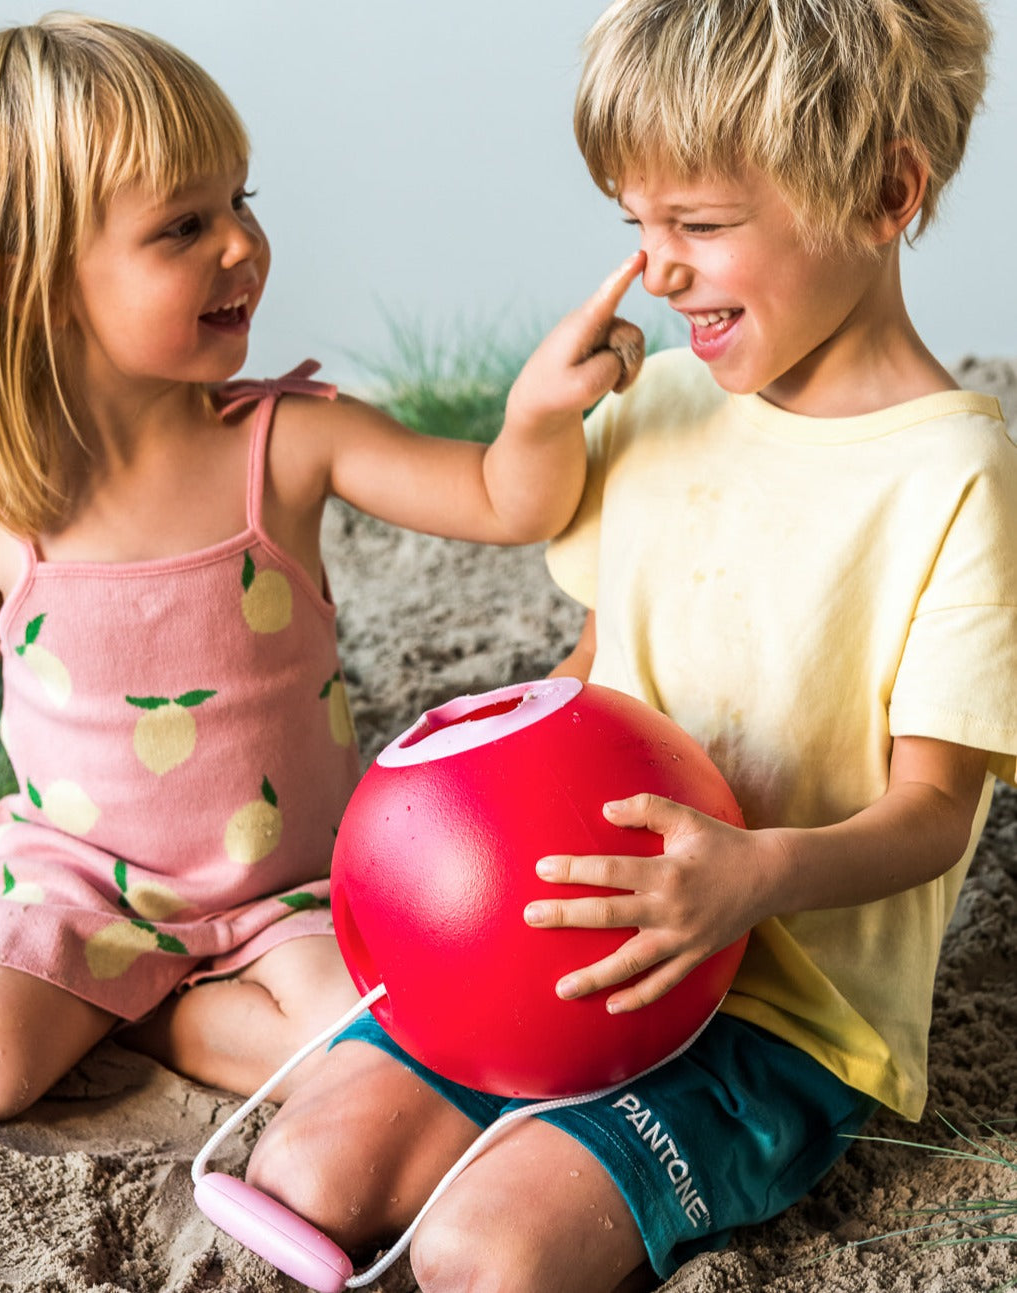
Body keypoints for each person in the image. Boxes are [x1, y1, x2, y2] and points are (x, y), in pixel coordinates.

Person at [246, 1, 1017, 1289]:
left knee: (486, 1252)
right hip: (554, 951)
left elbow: (936, 812)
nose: (655, 271)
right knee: (307, 1175)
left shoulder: (956, 474)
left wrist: (752, 876)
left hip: (777, 1012)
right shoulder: (657, 403)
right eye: (635, 227)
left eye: (700, 226)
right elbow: (588, 673)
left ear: (885, 193)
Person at [0, 13, 645, 1123]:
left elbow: (503, 498)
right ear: (42, 278)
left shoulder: (290, 441)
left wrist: (536, 410)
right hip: (81, 881)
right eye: (183, 227)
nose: (241, 246)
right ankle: (123, 984)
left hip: (291, 885)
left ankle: (155, 1012)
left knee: (376, 1051)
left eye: (242, 202)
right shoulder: (9, 500)